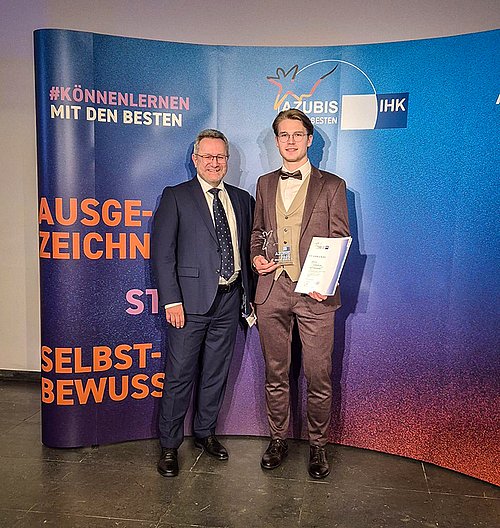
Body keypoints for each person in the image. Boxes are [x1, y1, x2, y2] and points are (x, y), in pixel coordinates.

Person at [250, 109, 350, 479]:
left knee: (318, 374)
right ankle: (278, 439)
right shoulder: (264, 184)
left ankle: (318, 445)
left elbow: (340, 238)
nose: (290, 141)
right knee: (275, 372)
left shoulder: (332, 185)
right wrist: (257, 257)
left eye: (297, 134)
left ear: (309, 140)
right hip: (272, 289)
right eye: (284, 135)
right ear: (276, 141)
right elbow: (257, 232)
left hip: (315, 294)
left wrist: (326, 281)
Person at [151, 129, 254, 477]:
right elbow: (162, 254)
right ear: (195, 160)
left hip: (230, 300)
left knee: (215, 374)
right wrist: (171, 301)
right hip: (189, 305)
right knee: (179, 376)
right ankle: (169, 446)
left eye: (220, 157)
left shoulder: (242, 199)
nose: (214, 162)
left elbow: (248, 249)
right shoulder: (176, 196)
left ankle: (205, 433)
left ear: (228, 160)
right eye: (207, 156)